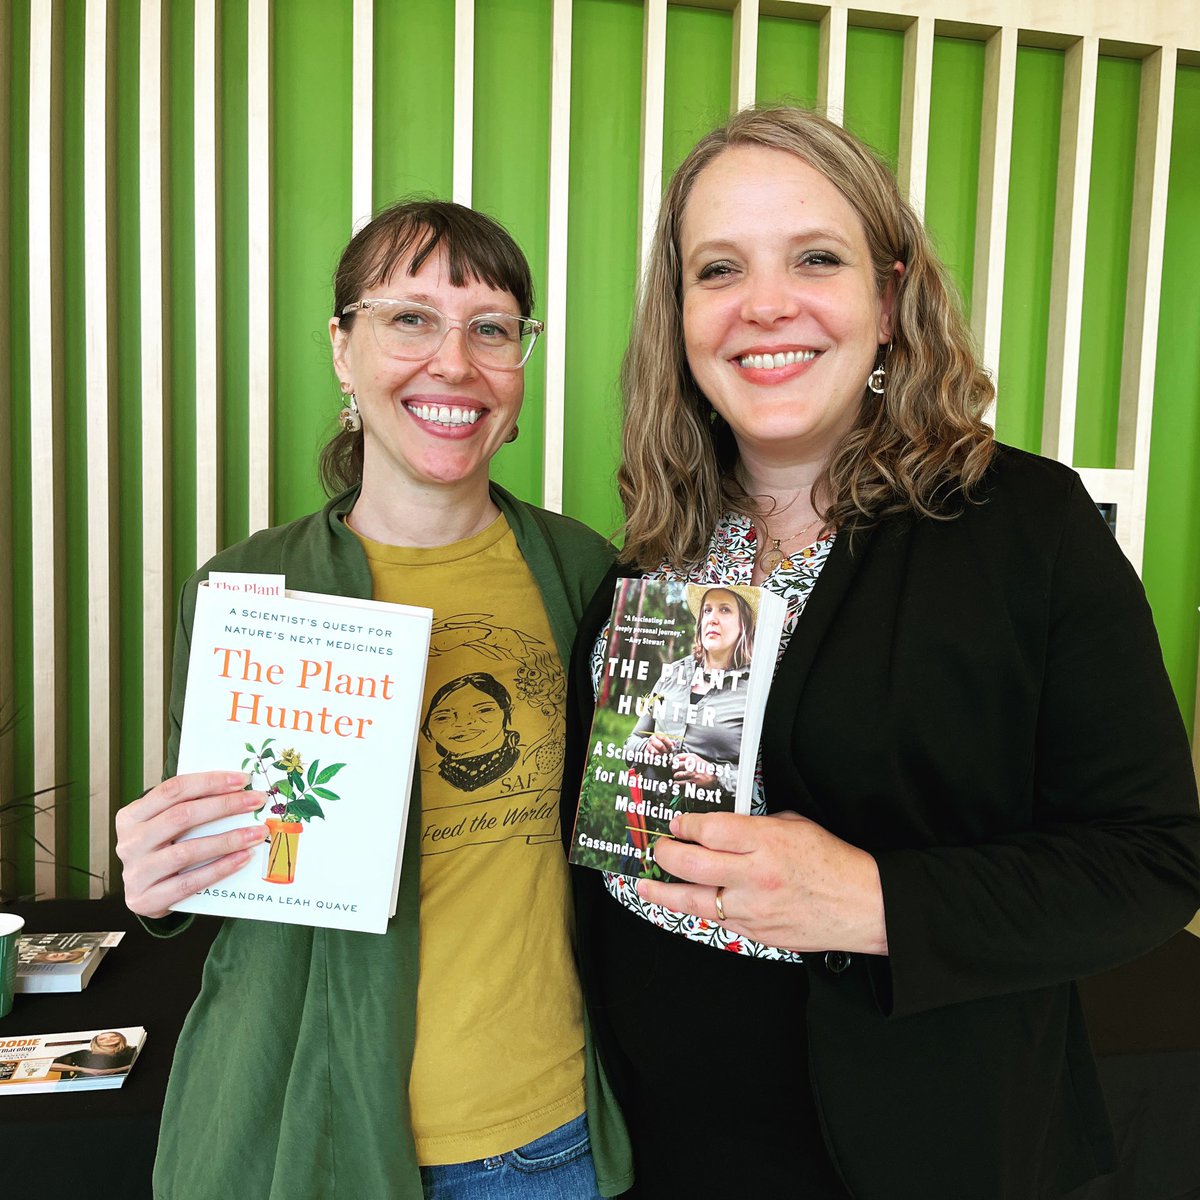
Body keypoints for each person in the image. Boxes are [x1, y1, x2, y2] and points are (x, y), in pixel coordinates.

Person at [562, 107, 1200, 1200]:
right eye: (719, 269)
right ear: (681, 317)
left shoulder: (1025, 528)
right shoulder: (650, 556)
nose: (766, 304)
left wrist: (873, 900)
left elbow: (1153, 862)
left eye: (816, 257)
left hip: (925, 1149)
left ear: (890, 299)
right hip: (662, 1147)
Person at [117, 200, 632, 1200]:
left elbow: (618, 831)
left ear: (519, 372)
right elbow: (228, 845)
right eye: (408, 318)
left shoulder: (582, 571)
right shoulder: (249, 586)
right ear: (342, 350)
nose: (454, 362)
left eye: (491, 329)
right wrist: (159, 880)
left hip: (543, 1139)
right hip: (309, 1128)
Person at [623, 585, 757, 805]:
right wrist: (645, 748)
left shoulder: (754, 687)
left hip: (710, 828)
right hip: (647, 817)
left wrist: (716, 777)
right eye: (707, 611)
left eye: (724, 610)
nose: (712, 619)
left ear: (743, 625)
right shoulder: (672, 673)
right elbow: (631, 741)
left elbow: (761, 779)